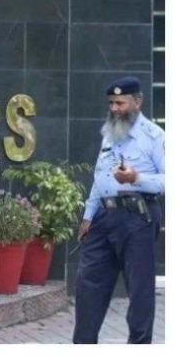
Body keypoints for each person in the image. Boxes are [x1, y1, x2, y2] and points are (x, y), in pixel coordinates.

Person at [73, 76, 165, 344]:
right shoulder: (109, 132)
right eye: (111, 103)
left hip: (137, 218)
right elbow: (99, 177)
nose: (114, 109)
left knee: (139, 292)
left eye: (120, 103)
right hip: (103, 219)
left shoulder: (155, 137)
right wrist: (88, 216)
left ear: (137, 102)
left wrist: (136, 178)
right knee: (87, 285)